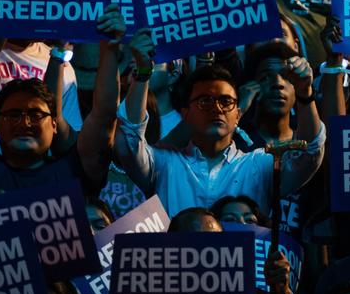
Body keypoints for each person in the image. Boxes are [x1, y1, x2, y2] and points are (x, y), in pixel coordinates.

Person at [116, 29, 325, 217]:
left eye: (226, 102)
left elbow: (310, 152)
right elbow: (128, 140)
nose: (216, 108)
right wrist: (143, 73)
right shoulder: (163, 164)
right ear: (185, 114)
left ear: (238, 114)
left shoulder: (259, 165)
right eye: (205, 101)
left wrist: (305, 95)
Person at [0, 1, 124, 199]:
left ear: (54, 124)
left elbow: (105, 115)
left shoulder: (74, 171)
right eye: (13, 114)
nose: (25, 122)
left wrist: (110, 47)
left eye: (36, 114)